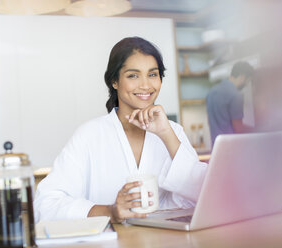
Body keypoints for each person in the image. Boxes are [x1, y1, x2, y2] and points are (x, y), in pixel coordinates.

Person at [34, 37, 207, 224]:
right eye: (133, 75)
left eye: (152, 74)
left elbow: (205, 194)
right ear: (114, 81)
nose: (146, 85)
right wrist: (111, 211)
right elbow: (46, 205)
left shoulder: (173, 131)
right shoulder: (90, 135)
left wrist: (166, 133)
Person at [206, 61, 254, 147]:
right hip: (231, 149)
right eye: (247, 81)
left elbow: (209, 122)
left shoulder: (211, 92)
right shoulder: (235, 95)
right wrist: (258, 130)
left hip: (216, 149)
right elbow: (238, 128)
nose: (246, 85)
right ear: (242, 77)